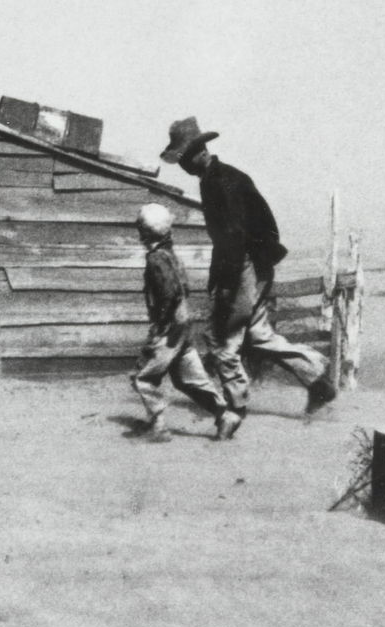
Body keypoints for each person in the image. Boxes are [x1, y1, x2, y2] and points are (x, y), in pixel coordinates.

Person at [159, 117, 337, 428]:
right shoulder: (216, 178)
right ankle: (318, 379)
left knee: (224, 342)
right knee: (258, 335)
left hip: (244, 266)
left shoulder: (222, 182)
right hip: (252, 264)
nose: (183, 165)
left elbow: (234, 237)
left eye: (185, 157)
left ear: (200, 151)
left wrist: (228, 285)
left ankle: (234, 410)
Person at [130, 203, 234, 441]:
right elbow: (181, 288)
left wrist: (161, 326)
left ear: (144, 232)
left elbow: (168, 293)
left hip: (169, 329)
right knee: (190, 378)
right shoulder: (172, 255)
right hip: (183, 327)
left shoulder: (156, 259)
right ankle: (224, 415)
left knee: (143, 377)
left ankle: (159, 427)